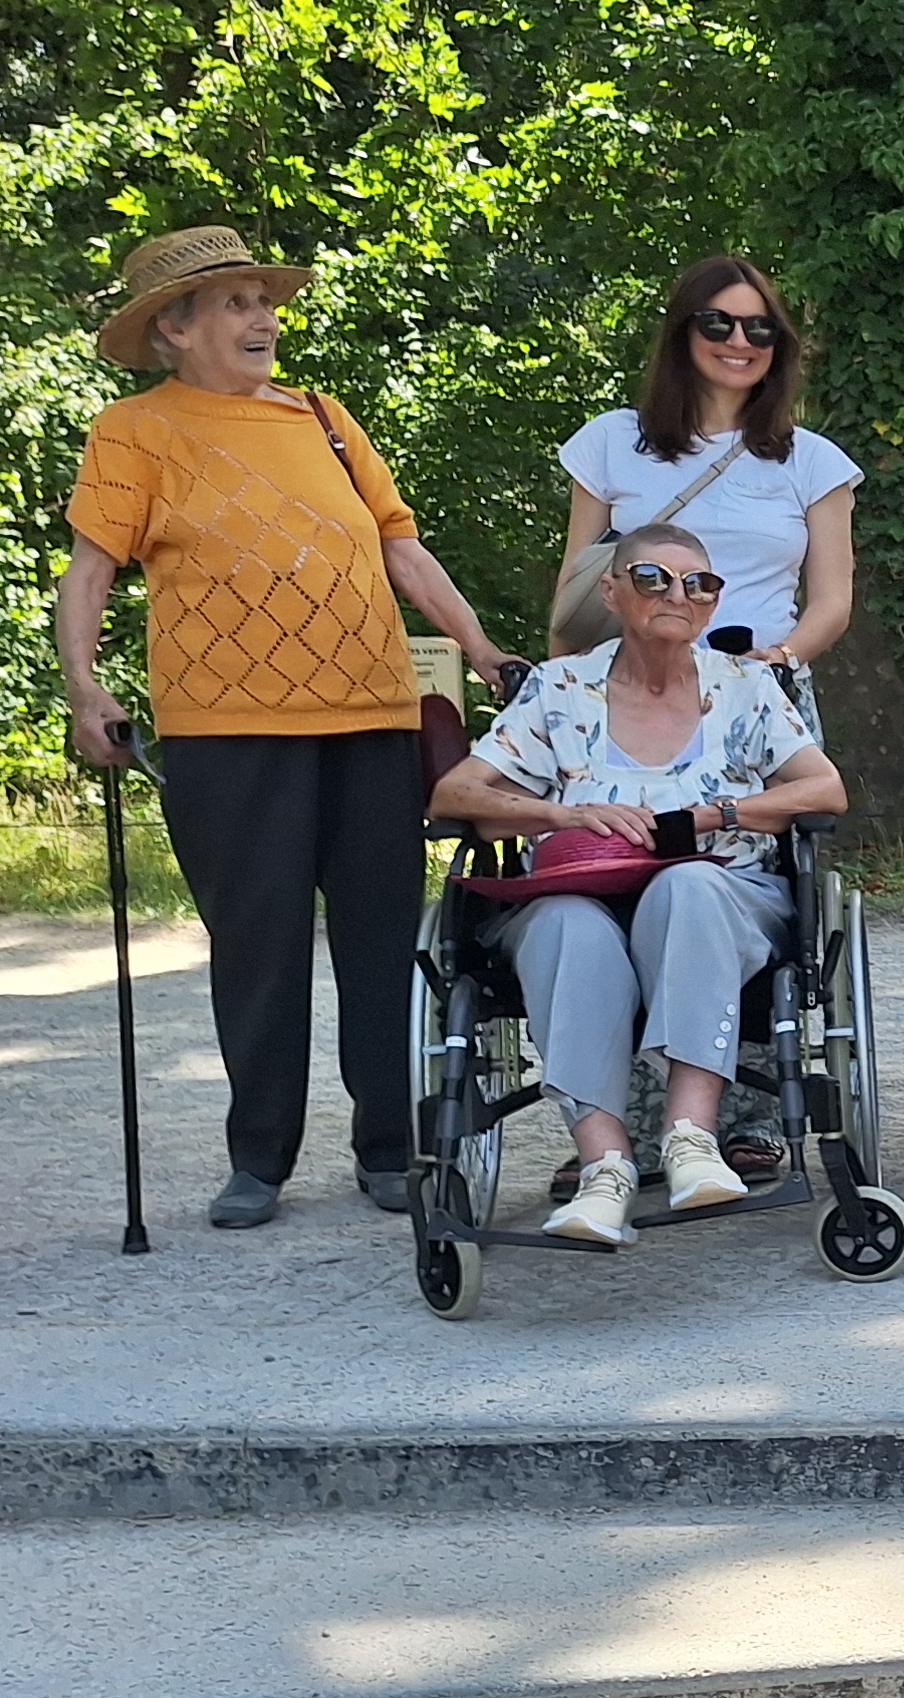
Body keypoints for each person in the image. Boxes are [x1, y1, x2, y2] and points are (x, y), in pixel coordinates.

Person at [56, 224, 523, 1231]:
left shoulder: (326, 420)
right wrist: (86, 689)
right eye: (235, 303)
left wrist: (481, 650)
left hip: (372, 718)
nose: (264, 316)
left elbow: (402, 548)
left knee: (380, 940)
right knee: (257, 947)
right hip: (225, 734)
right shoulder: (134, 432)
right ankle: (258, 1159)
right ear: (174, 329)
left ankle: (390, 1149)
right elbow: (91, 570)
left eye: (265, 300)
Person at [427, 528, 849, 1249]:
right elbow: (454, 794)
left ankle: (689, 1138)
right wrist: (562, 812)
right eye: (653, 578)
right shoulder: (560, 689)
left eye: (699, 583)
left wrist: (717, 814)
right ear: (612, 591)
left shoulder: (744, 686)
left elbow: (826, 788)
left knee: (687, 886)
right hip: (579, 888)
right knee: (565, 922)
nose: (678, 596)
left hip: (720, 889)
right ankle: (605, 1167)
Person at [552, 256, 859, 676]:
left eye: (759, 329)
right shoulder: (611, 440)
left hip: (760, 688)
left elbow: (833, 602)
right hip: (629, 687)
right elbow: (575, 588)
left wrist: (781, 657)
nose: (739, 341)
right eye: (718, 323)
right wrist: (560, 693)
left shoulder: (816, 461)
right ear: (684, 331)